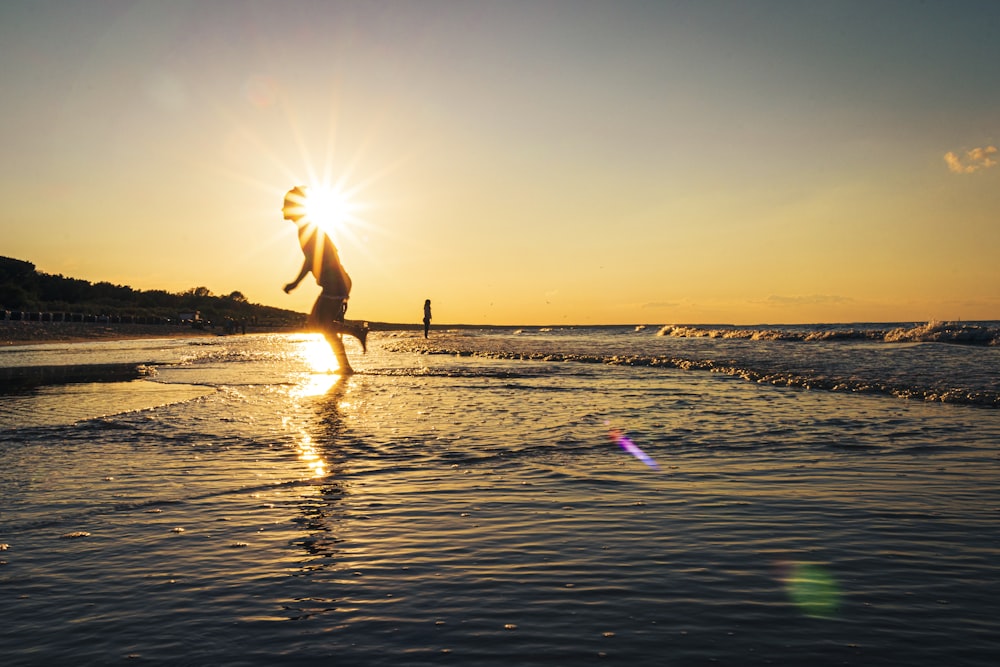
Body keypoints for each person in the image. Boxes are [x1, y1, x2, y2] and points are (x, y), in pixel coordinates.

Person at [282, 185, 367, 374]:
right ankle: (354, 339)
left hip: (335, 284)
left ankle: (346, 365)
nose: (282, 209)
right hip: (335, 284)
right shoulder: (306, 228)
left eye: (285, 205)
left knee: (321, 326)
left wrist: (296, 283)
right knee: (318, 325)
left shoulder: (307, 229)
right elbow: (325, 254)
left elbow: (311, 259)